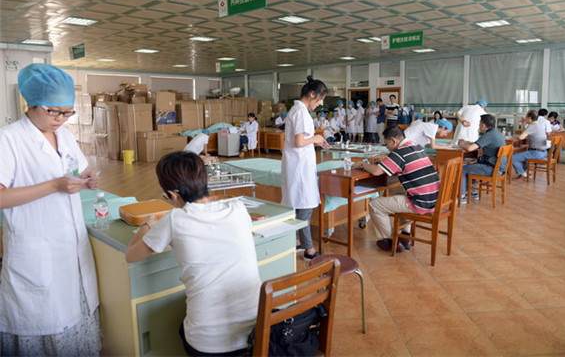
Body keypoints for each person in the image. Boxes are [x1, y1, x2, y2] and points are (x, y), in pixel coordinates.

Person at [0, 63, 101, 356]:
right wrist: (54, 185)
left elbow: (74, 170)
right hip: (35, 247)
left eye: (67, 112)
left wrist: (86, 181)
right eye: (53, 111)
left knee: (75, 315)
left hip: (71, 244)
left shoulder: (64, 135)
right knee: (44, 321)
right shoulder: (8, 139)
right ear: (30, 103)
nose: (60, 119)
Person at [125, 152, 261, 356]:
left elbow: (130, 255)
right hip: (256, 334)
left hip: (208, 343)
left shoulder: (174, 219)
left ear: (172, 194)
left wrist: (146, 225)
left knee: (182, 326)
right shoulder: (238, 208)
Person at [353, 127, 440, 252]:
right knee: (400, 193)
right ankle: (405, 236)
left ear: (393, 141)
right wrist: (386, 161)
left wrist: (362, 165)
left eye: (386, 143)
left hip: (420, 203)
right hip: (434, 198)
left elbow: (377, 171)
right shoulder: (415, 145)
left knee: (375, 205)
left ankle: (390, 241)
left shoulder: (398, 153)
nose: (386, 147)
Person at [281, 76, 329, 261]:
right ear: (311, 94)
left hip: (298, 165)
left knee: (298, 205)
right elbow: (300, 142)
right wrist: (315, 138)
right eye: (320, 99)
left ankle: (296, 242)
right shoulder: (300, 112)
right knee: (305, 207)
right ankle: (309, 249)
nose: (321, 103)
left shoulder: (297, 110)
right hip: (299, 167)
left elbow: (301, 141)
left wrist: (316, 141)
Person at [457, 114, 506, 203]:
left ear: (483, 125)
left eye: (480, 123)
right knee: (472, 166)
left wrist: (461, 143)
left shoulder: (488, 135)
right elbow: (479, 144)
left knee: (463, 169)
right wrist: (468, 143)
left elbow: (470, 148)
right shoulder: (497, 133)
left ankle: (462, 196)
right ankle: (474, 192)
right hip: (500, 168)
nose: (479, 125)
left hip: (492, 169)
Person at [512, 110, 549, 180]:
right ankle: (526, 173)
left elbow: (521, 137)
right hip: (543, 152)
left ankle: (524, 174)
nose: (525, 118)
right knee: (522, 154)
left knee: (512, 158)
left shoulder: (532, 126)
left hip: (536, 153)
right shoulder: (537, 125)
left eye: (526, 117)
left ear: (529, 118)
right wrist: (523, 124)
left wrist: (515, 137)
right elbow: (525, 132)